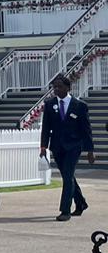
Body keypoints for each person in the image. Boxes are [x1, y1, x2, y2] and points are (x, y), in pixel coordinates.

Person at [39, 73, 93, 221]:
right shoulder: (50, 104)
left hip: (74, 146)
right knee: (68, 176)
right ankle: (81, 203)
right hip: (57, 146)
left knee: (68, 176)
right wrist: (43, 146)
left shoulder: (80, 106)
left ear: (68, 88)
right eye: (54, 87)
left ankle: (65, 210)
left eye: (60, 86)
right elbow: (46, 127)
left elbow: (86, 129)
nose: (56, 89)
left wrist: (90, 150)